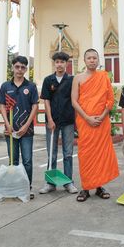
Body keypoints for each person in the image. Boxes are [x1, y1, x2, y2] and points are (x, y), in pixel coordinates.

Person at [71, 48, 119, 202]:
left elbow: (110, 100)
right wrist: (87, 118)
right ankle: (85, 188)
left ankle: (99, 187)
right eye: (89, 58)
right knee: (85, 154)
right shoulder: (78, 78)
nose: (92, 60)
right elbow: (74, 101)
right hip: (85, 122)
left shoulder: (104, 77)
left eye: (94, 58)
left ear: (98, 60)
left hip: (101, 122)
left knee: (100, 154)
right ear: (84, 61)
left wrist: (102, 116)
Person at [0, 55, 39, 199]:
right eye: (17, 67)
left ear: (26, 69)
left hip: (26, 131)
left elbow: (35, 106)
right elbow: (2, 106)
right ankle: (15, 188)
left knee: (27, 161)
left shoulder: (31, 86)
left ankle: (27, 187)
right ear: (12, 68)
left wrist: (27, 125)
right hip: (10, 130)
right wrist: (8, 125)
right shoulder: (5, 86)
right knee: (13, 161)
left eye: (22, 67)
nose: (20, 70)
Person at [39, 51, 78, 194]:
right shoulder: (48, 80)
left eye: (62, 62)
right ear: (54, 63)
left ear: (67, 64)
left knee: (68, 153)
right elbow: (46, 101)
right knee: (52, 153)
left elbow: (75, 100)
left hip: (68, 121)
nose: (59, 64)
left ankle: (68, 182)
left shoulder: (72, 80)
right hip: (52, 122)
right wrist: (49, 119)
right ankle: (51, 183)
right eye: (57, 62)